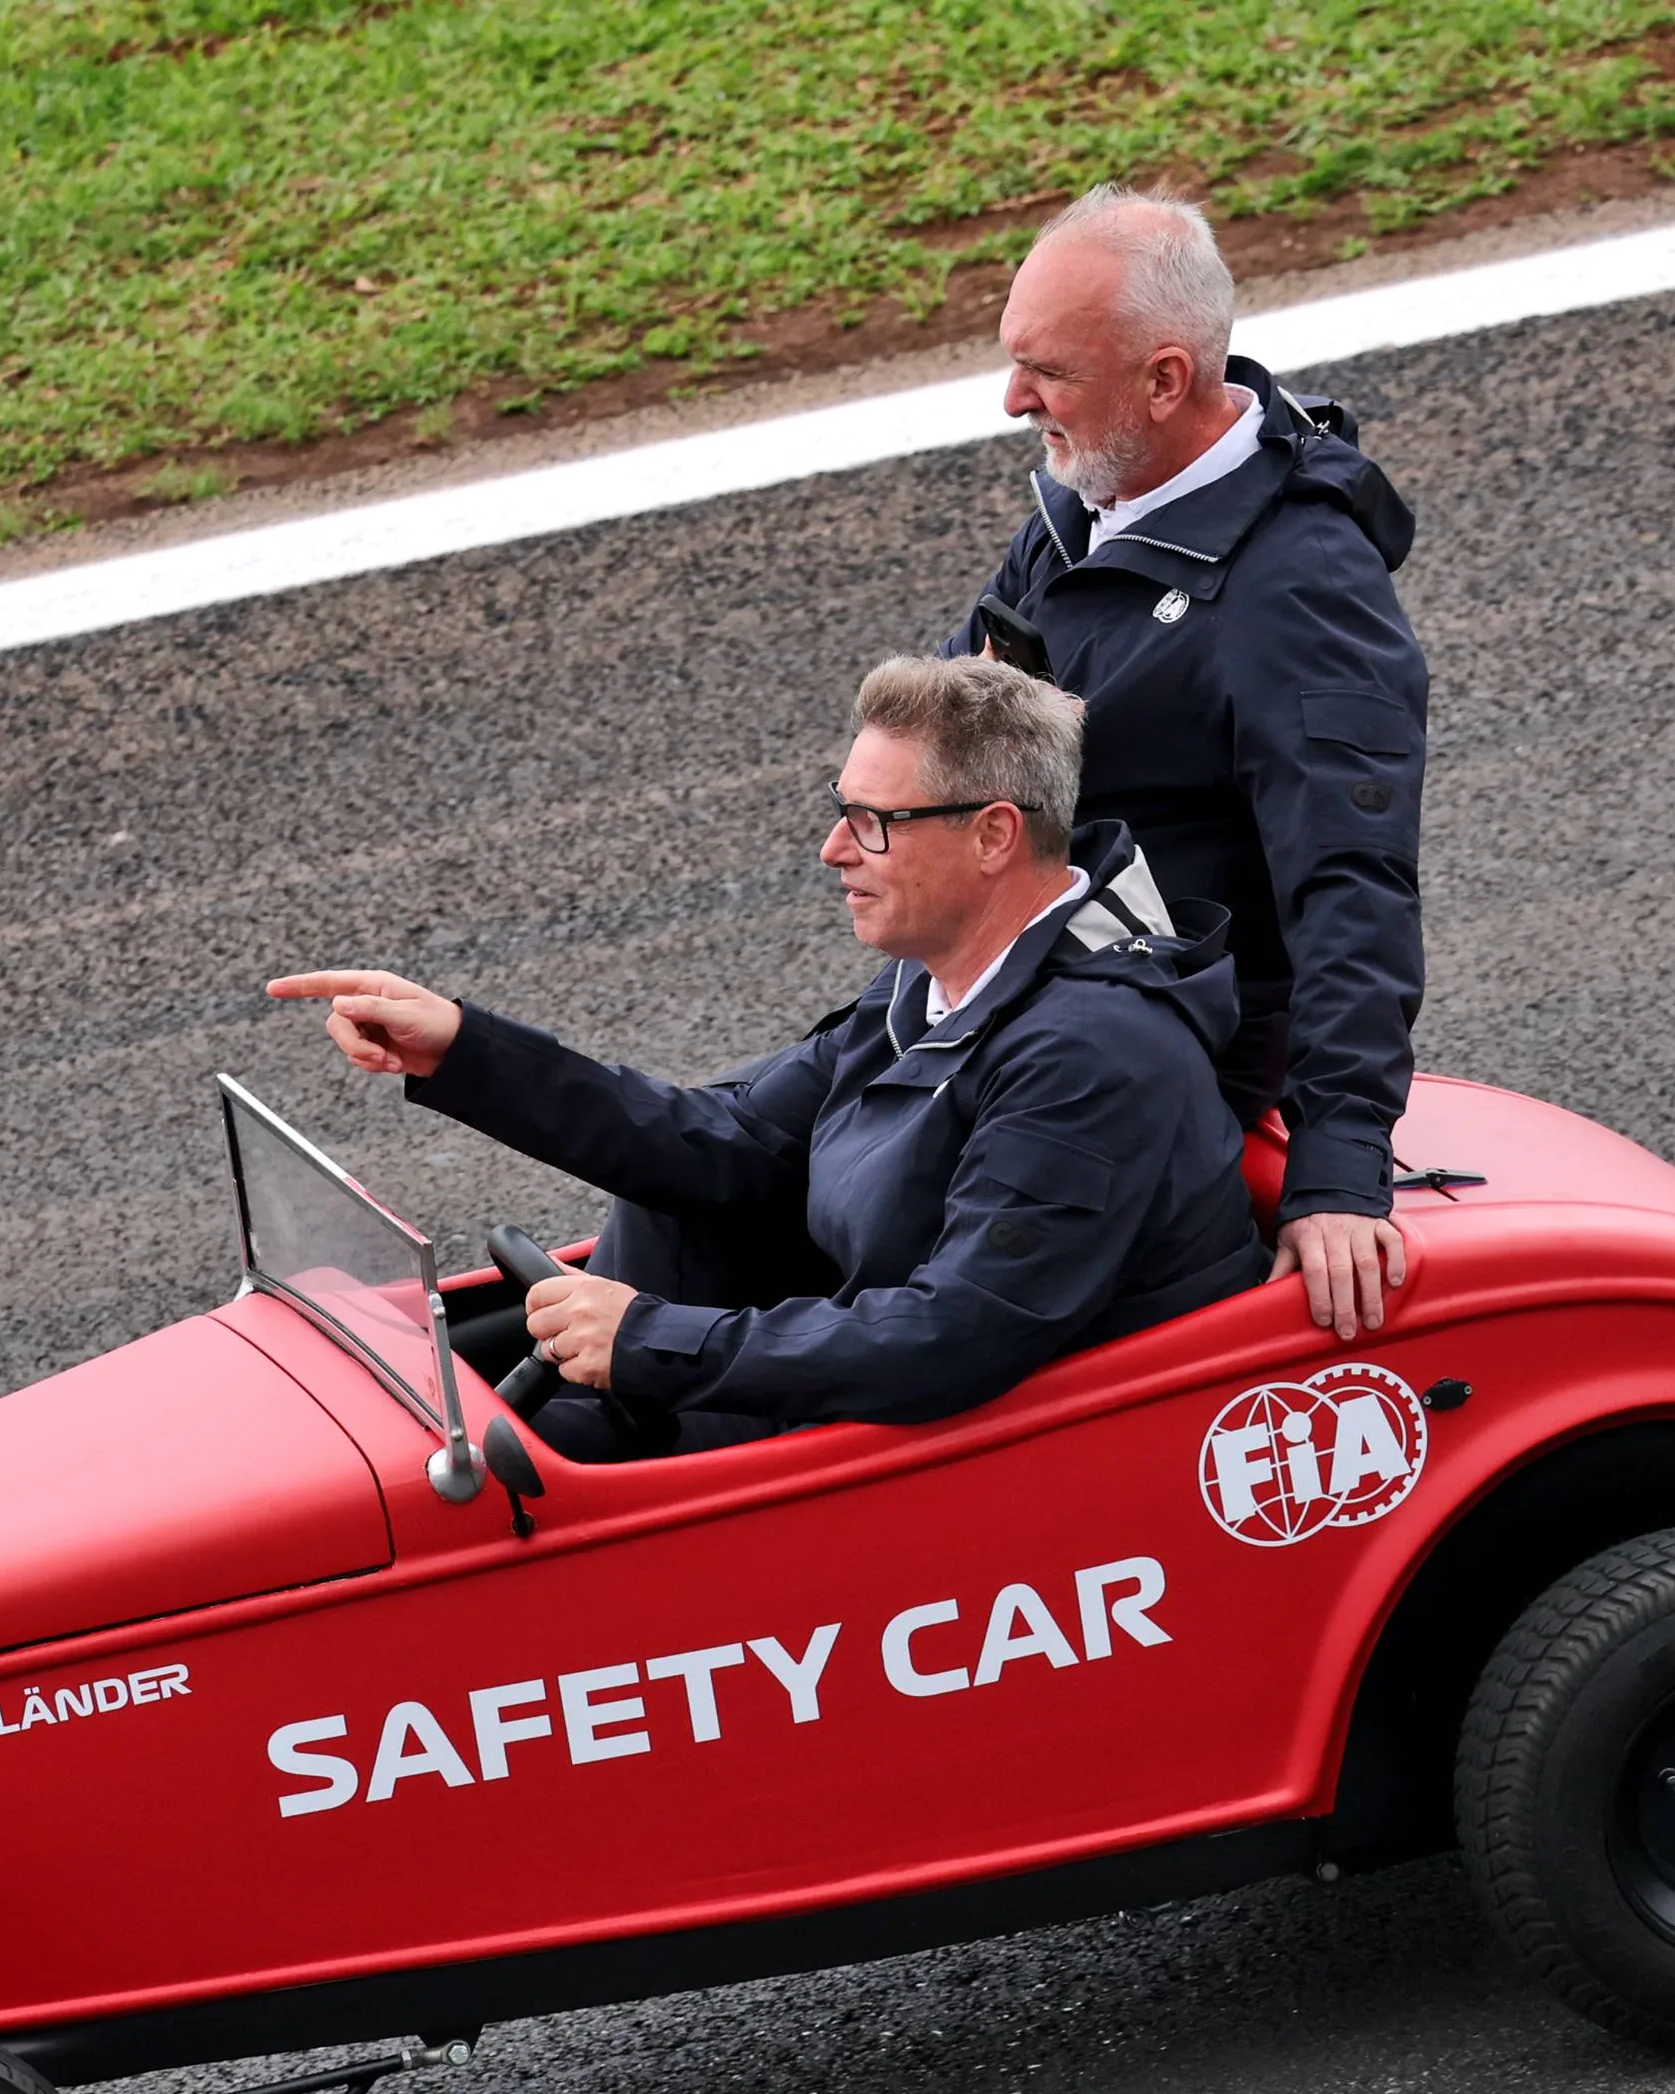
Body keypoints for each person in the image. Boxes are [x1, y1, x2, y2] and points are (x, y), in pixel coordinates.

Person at [268, 656, 1259, 1462]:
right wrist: (464, 1047)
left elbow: (955, 1335)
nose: (834, 849)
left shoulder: (1090, 1054)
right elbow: (725, 1144)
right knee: (666, 1206)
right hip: (857, 1401)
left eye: (874, 822)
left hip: (986, 1460)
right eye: (841, 811)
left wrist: (650, 1340)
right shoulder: (935, 982)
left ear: (995, 835)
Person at [956, 184, 1430, 1341]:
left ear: (1165, 380)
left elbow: (1350, 883)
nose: (1014, 400)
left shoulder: (1300, 589)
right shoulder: (1091, 499)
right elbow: (958, 717)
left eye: (1048, 373)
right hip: (1006, 1009)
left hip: (1137, 1073)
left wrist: (1336, 1175)